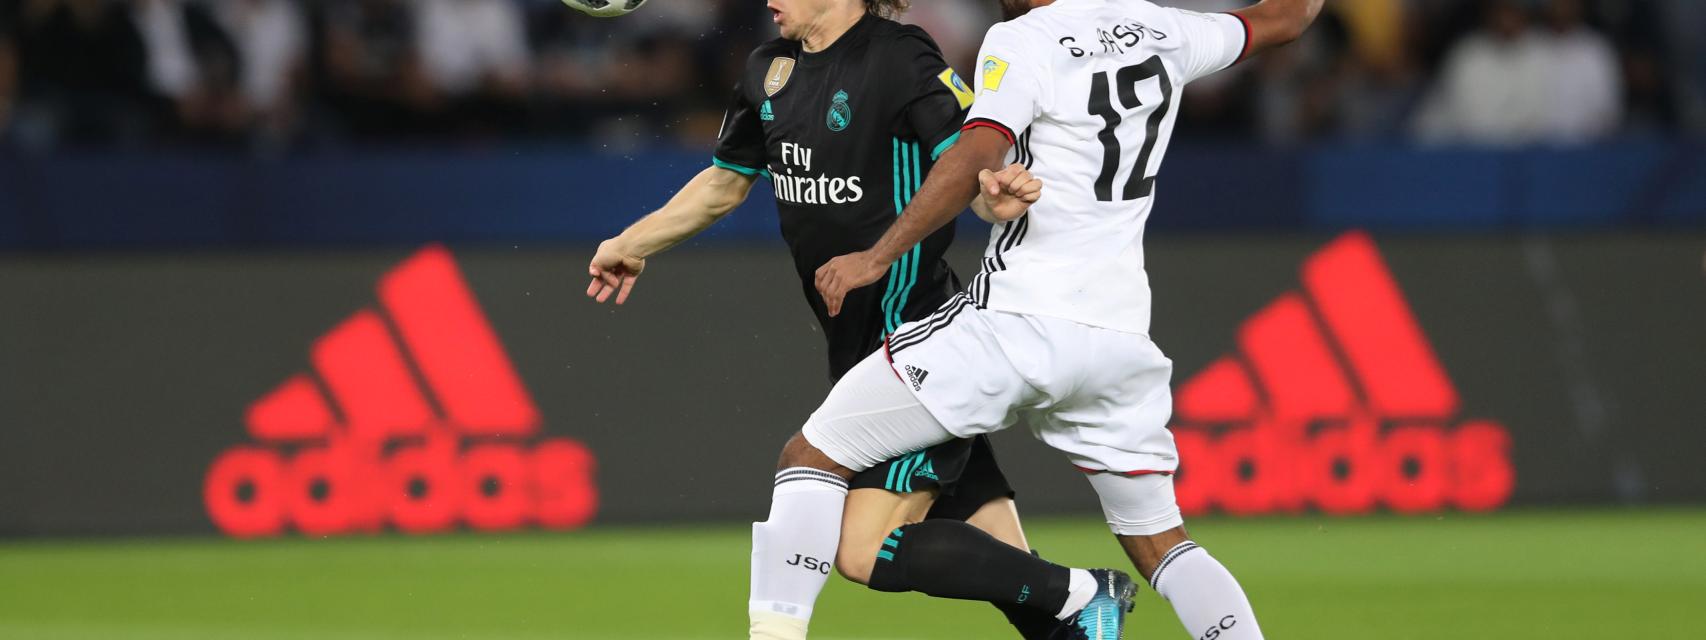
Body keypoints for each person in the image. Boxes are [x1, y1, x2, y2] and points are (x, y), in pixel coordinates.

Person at [752, 0, 1324, 639]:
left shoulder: (1023, 39)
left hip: (1013, 326)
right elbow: (1289, 17)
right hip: (1120, 342)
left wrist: (875, 256)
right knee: (1166, 547)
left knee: (814, 454)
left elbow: (974, 154)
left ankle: (774, 634)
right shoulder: (1168, 29)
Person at [585, 1, 1082, 638]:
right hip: (857, 346)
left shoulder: (901, 57)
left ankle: (1085, 589)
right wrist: (633, 243)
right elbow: (726, 183)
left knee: (860, 544)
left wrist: (996, 201)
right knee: (1018, 582)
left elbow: (971, 169)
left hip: (919, 339)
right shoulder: (768, 70)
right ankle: (1076, 615)